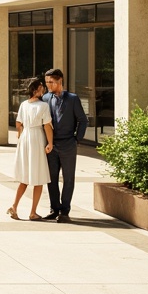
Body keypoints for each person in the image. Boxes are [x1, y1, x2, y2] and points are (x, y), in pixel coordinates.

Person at [42, 67, 89, 222]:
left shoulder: (73, 98)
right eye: (47, 82)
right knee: (51, 179)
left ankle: (65, 211)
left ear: (60, 81)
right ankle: (54, 209)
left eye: (51, 82)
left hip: (68, 144)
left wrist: (77, 139)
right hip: (51, 145)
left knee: (68, 179)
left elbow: (83, 120)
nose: (48, 85)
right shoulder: (45, 98)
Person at [7, 76, 53, 220]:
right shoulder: (43, 106)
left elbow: (18, 124)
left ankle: (14, 206)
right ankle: (33, 212)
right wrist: (50, 143)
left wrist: (21, 137)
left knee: (25, 177)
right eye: (41, 87)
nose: (43, 89)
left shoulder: (24, 104)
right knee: (38, 177)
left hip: (25, 137)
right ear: (35, 90)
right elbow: (47, 126)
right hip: (36, 137)